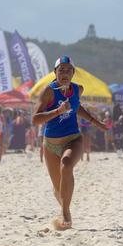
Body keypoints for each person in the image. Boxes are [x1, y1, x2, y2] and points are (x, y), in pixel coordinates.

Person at [32, 56, 108, 230]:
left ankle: (65, 212)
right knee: (58, 189)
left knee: (66, 165)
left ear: (73, 73)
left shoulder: (77, 89)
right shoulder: (49, 92)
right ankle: (64, 207)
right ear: (55, 72)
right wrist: (57, 111)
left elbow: (77, 107)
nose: (64, 73)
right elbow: (35, 119)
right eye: (61, 70)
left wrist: (96, 122)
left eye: (68, 70)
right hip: (50, 144)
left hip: (73, 139)